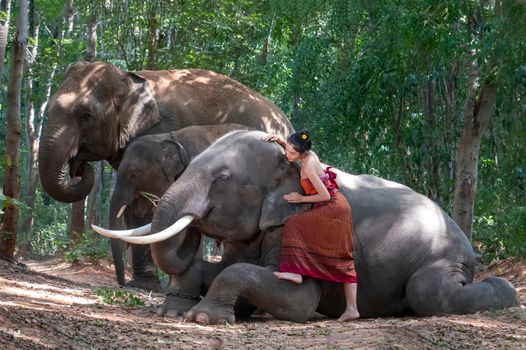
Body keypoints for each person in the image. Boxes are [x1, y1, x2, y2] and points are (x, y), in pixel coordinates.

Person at [262, 130, 359, 322]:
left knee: (295, 223)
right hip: (331, 206)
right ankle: (299, 272)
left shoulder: (308, 167)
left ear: (301, 153)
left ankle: (351, 308)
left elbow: (325, 195)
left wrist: (300, 198)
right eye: (287, 150)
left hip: (334, 207)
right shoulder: (307, 154)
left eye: (291, 153)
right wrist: (281, 141)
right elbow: (294, 150)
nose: (288, 156)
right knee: (302, 227)